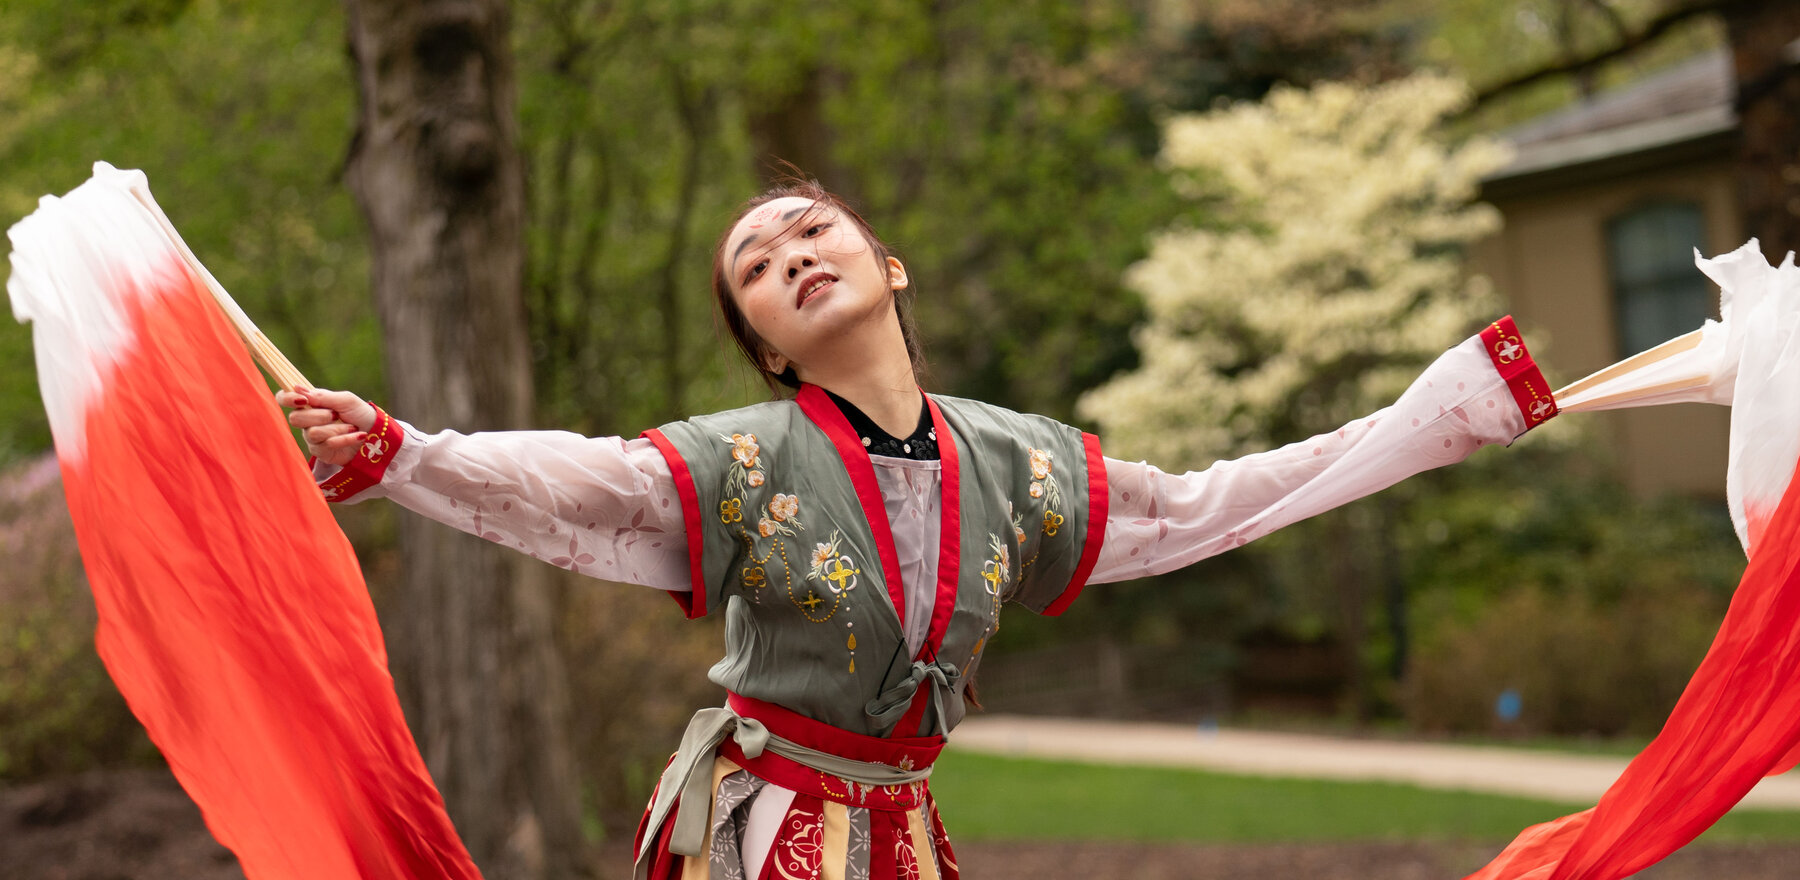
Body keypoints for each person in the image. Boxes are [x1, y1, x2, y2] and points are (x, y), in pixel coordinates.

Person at [276, 178, 1556, 880]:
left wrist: (1438, 418)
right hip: (763, 836)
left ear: (886, 265)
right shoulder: (741, 460)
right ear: (769, 350)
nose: (790, 256)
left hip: (906, 836)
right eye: (758, 269)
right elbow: (580, 483)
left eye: (811, 230)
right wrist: (404, 452)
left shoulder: (1022, 462)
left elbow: (1211, 504)